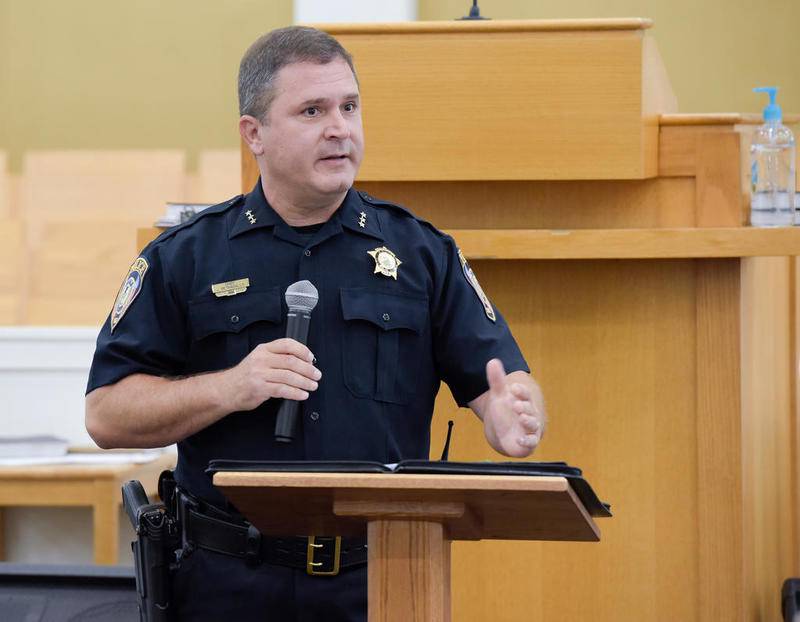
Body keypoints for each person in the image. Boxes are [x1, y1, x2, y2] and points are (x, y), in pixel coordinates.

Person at [85, 25, 545, 622]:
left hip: (382, 582)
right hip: (227, 586)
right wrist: (230, 386)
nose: (340, 128)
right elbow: (106, 415)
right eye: (312, 110)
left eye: (349, 107)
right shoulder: (185, 257)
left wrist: (515, 412)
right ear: (255, 134)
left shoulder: (422, 254)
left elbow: (504, 384)